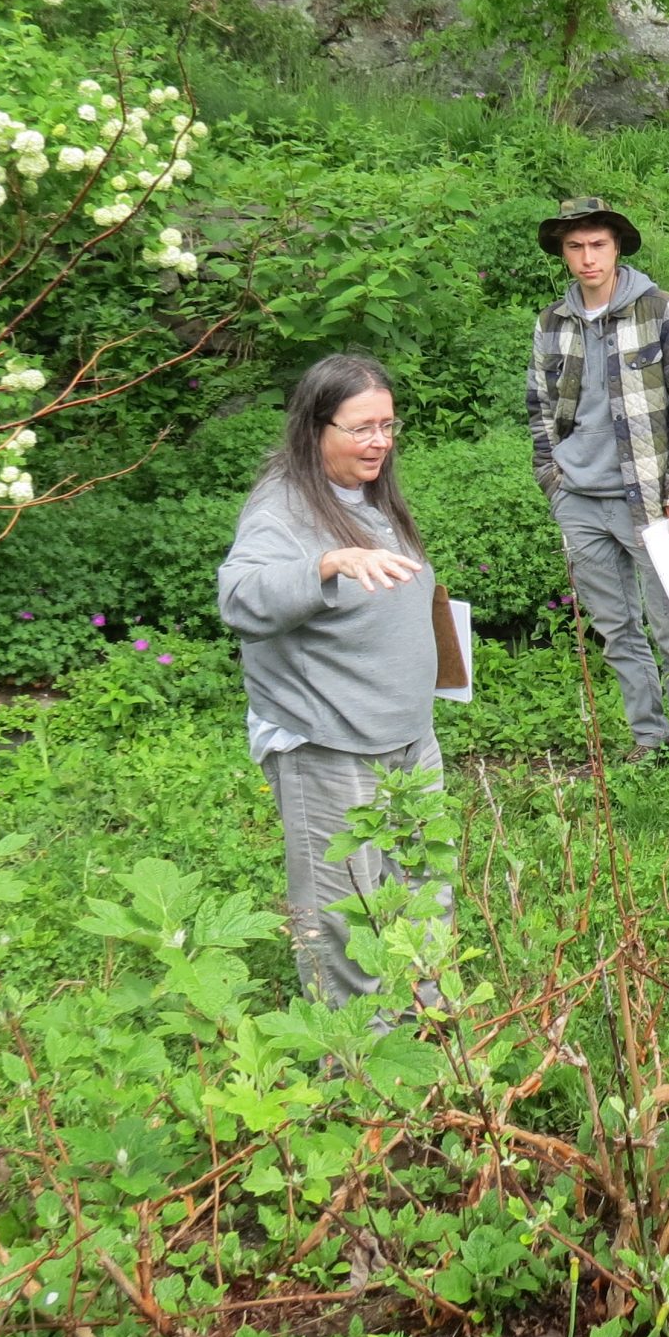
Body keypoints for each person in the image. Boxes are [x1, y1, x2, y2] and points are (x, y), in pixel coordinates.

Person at [218, 354, 451, 1010]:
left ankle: (433, 1031)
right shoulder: (282, 508)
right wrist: (325, 564)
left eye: (387, 425)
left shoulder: (369, 492)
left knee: (424, 888)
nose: (379, 441)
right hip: (329, 745)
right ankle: (356, 1058)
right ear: (315, 427)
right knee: (344, 911)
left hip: (406, 738)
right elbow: (239, 597)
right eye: (361, 428)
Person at [526, 197, 669, 778]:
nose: (588, 258)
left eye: (598, 245)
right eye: (575, 247)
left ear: (616, 248)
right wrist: (553, 481)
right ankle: (648, 738)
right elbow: (539, 409)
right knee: (616, 630)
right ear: (563, 254)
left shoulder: (659, 309)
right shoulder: (551, 323)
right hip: (579, 501)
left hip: (654, 502)